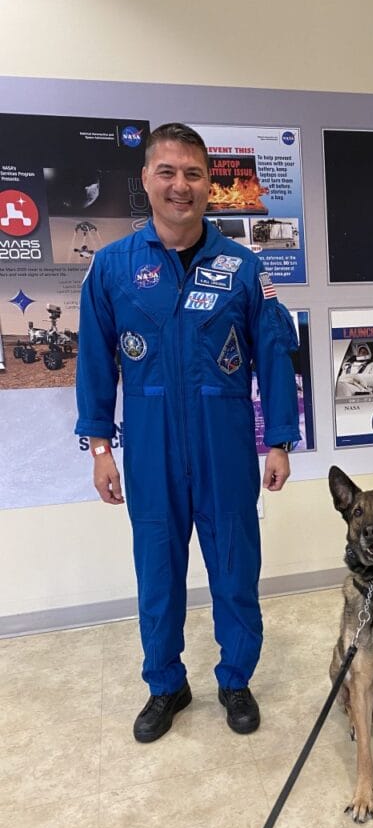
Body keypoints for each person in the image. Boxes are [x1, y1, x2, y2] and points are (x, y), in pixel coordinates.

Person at [75, 123, 299, 743]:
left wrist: (279, 440)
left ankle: (236, 679)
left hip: (224, 446)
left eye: (194, 174)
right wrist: (100, 448)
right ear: (146, 179)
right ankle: (165, 684)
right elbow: (94, 364)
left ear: (209, 185)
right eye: (168, 172)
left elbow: (274, 354)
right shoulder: (113, 267)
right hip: (150, 448)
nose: (181, 185)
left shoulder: (243, 268)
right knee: (157, 571)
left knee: (234, 567)